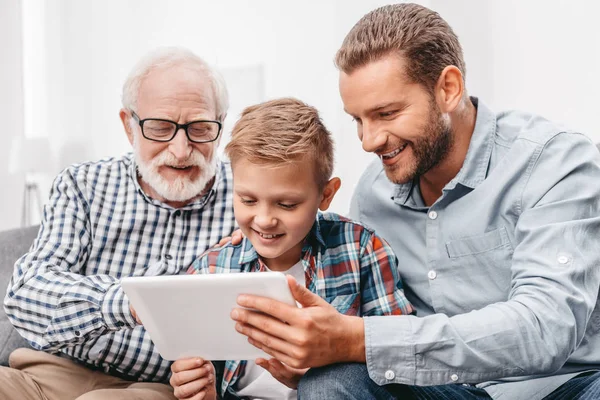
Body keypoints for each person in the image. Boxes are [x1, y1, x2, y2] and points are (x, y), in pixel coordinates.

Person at [225, 4, 600, 400]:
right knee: (330, 381)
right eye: (358, 120)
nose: (369, 141)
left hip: (566, 387)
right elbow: (339, 255)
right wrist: (265, 239)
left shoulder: (556, 163)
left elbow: (546, 327)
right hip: (443, 393)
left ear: (448, 89)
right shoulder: (374, 191)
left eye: (386, 113)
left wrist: (359, 340)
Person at [0, 47, 237, 400]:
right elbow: (26, 294)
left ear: (219, 126)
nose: (181, 149)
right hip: (47, 372)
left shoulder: (246, 198)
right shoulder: (82, 184)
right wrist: (129, 301)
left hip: (157, 386)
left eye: (200, 128)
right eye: (160, 128)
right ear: (129, 126)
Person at [166, 98, 414, 400]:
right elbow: (194, 367)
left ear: (326, 194)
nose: (265, 220)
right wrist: (201, 390)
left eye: (287, 204)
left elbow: (401, 355)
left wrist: (323, 367)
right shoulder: (212, 269)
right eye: (248, 200)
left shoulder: (360, 250)